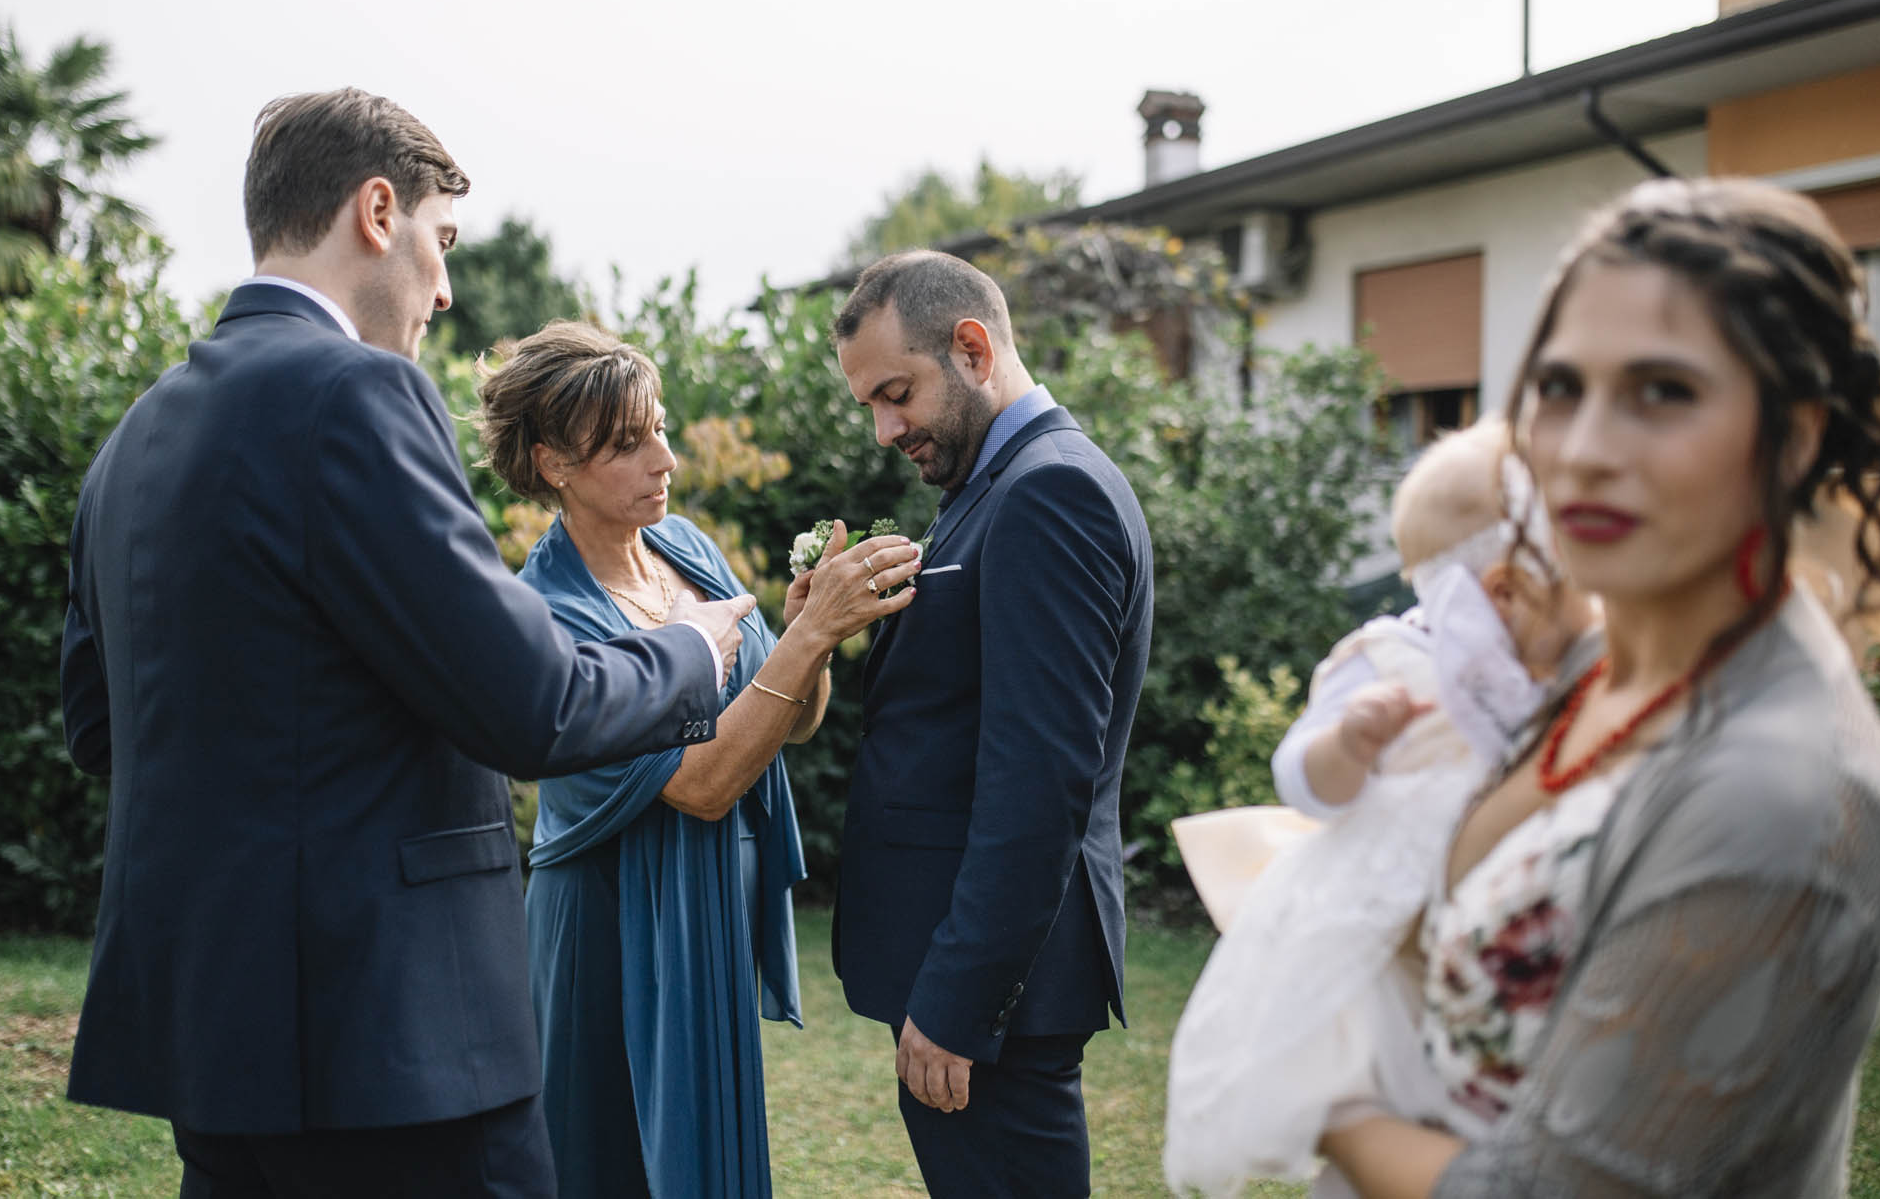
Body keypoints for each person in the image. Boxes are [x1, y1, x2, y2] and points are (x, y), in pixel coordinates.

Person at [59, 89, 752, 1199]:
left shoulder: (133, 438)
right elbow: (532, 703)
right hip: (392, 1041)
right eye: (444, 241)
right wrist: (691, 651)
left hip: (211, 1039)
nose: (445, 288)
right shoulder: (356, 392)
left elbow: (102, 729)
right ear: (377, 212)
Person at [1318, 177, 1880, 1197]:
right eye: (1559, 387)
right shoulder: (1590, 666)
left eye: (1663, 391)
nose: (1584, 451)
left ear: (1795, 434)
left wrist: (1320, 1089)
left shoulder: (1780, 794)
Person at [471, 322, 920, 1197]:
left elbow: (791, 724)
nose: (665, 460)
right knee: (613, 1162)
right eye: (627, 444)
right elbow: (704, 784)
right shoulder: (547, 617)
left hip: (709, 904)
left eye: (661, 429)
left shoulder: (691, 549)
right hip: (611, 925)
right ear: (554, 463)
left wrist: (806, 639)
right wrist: (811, 635)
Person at [1165, 420, 1591, 1198]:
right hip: (1387, 921)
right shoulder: (1388, 657)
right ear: (1502, 586)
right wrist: (1350, 746)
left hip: (1496, 922)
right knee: (1395, 1082)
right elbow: (1297, 775)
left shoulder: (1550, 672)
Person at [830, 250, 1154, 1197]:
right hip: (971, 981)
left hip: (990, 999)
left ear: (972, 349)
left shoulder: (1050, 492)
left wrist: (960, 1000)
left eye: (897, 394)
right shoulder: (994, 484)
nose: (886, 430)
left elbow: (1038, 781)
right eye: (871, 405)